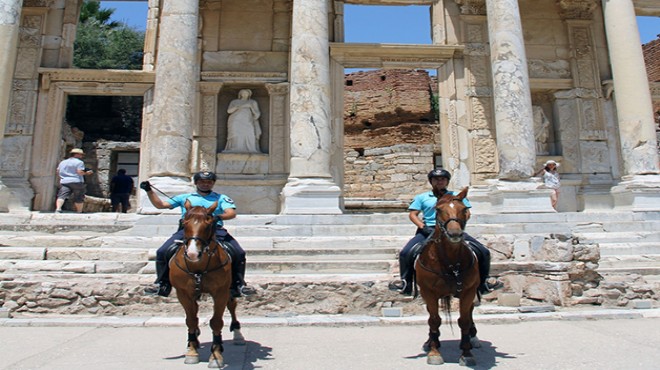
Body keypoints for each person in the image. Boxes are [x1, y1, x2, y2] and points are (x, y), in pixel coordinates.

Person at [389, 169, 503, 296]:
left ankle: (484, 282)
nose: (439, 181)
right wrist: (422, 226)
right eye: (436, 179)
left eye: (442, 179)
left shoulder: (457, 196)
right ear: (431, 181)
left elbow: (467, 213)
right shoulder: (422, 197)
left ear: (447, 181)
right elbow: (413, 214)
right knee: (406, 252)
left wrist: (457, 225)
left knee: (483, 251)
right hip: (429, 230)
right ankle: (406, 283)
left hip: (452, 229)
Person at [141, 171, 254, 298]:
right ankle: (161, 283)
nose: (205, 184)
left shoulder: (221, 198)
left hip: (213, 229)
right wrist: (149, 191)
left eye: (209, 182)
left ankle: (239, 284)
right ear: (196, 183)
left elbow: (231, 213)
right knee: (163, 251)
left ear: (213, 183)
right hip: (187, 230)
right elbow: (160, 205)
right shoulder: (185, 197)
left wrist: (218, 217)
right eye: (202, 182)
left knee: (238, 252)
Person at [55, 148, 93, 213]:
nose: (81, 156)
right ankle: (79, 211)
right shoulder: (79, 162)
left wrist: (63, 177)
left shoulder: (63, 162)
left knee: (62, 195)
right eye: (81, 155)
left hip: (65, 181)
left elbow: (58, 171)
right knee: (79, 197)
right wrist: (87, 173)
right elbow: (79, 172)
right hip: (76, 181)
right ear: (77, 154)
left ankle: (58, 209)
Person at [223, 89, 262, 153]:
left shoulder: (252, 102)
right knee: (236, 133)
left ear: (249, 95)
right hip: (235, 120)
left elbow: (257, 114)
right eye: (243, 93)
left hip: (248, 120)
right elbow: (229, 111)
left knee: (250, 133)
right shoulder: (234, 102)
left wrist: (251, 107)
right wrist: (240, 106)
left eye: (246, 93)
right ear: (240, 94)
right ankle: (235, 148)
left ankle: (251, 149)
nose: (244, 95)